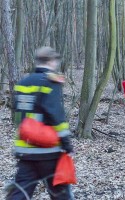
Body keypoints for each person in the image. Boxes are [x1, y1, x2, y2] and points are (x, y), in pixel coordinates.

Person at [7, 47, 74, 199]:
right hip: (48, 151)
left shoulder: (23, 83)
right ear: (51, 61)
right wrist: (67, 143)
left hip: (25, 150)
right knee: (61, 194)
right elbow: (56, 115)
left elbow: (19, 115)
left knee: (20, 193)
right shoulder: (50, 82)